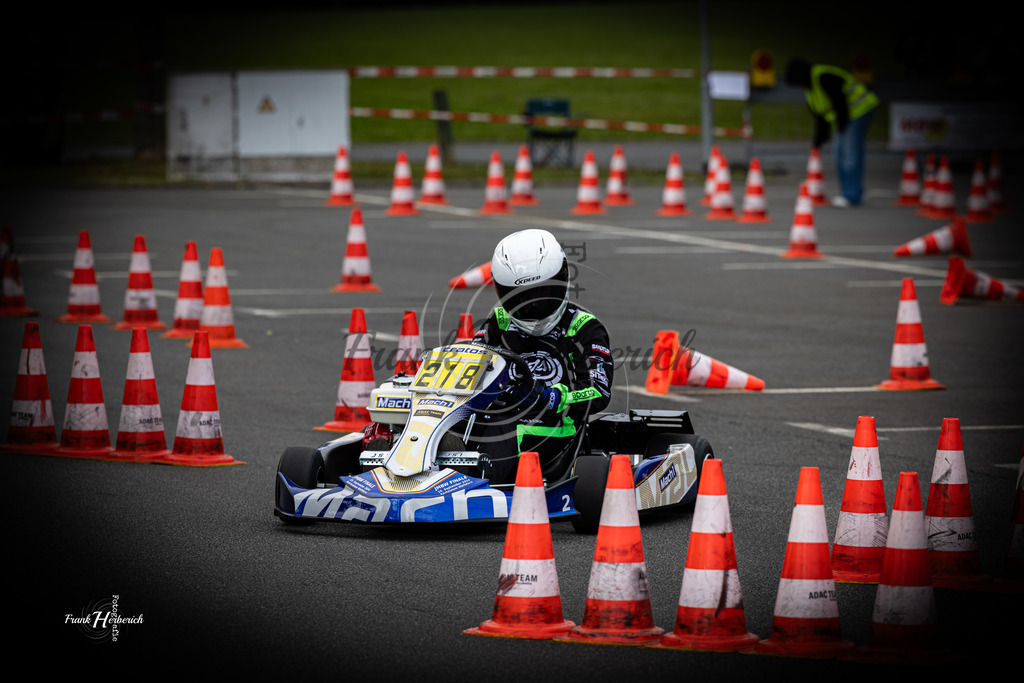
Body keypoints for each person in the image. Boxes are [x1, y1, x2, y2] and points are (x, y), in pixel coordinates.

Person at [471, 228, 613, 484]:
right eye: (521, 298)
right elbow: (472, 363)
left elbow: (598, 392)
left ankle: (475, 483)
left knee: (502, 431)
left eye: (542, 294)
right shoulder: (499, 322)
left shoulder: (583, 328)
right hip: (497, 415)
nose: (533, 306)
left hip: (555, 427)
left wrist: (552, 397)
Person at [784, 58, 879, 207]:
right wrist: (817, 143)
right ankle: (852, 191)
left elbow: (840, 102)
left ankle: (852, 195)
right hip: (846, 117)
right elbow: (821, 118)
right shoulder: (811, 90)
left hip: (860, 110)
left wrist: (841, 126)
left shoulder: (823, 77)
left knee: (849, 154)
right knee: (841, 152)